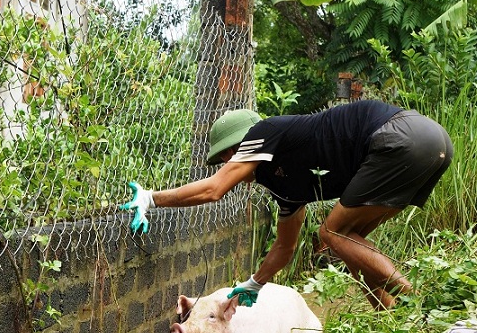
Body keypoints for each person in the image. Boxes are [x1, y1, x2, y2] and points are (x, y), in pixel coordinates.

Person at [119, 100, 453, 310]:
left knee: (331, 234)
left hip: (400, 136)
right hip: (432, 144)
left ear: (243, 142)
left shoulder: (264, 131)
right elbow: (286, 246)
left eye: (226, 154)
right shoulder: (283, 184)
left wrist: (152, 198)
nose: (225, 162)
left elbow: (213, 190)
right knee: (348, 246)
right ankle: (392, 318)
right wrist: (254, 283)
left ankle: (417, 303)